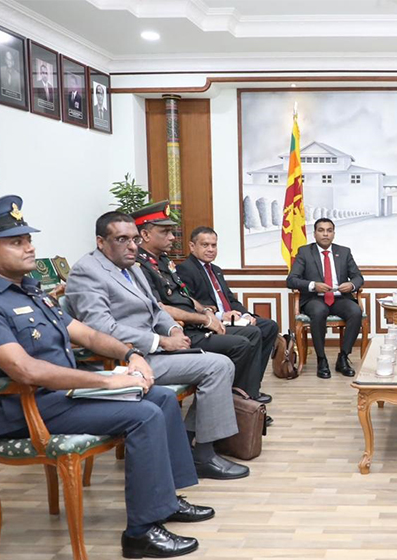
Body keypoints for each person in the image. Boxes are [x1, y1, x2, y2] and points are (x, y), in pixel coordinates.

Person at [0, 195, 213, 559]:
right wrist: (108, 382)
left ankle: (166, 499)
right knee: (143, 413)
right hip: (25, 410)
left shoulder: (33, 292)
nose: (30, 247)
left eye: (28, 239)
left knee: (159, 396)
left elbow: (86, 333)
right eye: (17, 242)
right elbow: (26, 370)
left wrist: (130, 355)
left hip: (59, 399)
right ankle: (141, 533)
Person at [66, 211, 250, 480]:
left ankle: (185, 441)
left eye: (134, 239)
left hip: (154, 351)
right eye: (121, 239)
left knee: (221, 360)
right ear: (100, 242)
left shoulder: (133, 268)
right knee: (218, 365)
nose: (132, 246)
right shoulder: (87, 272)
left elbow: (156, 309)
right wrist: (160, 340)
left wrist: (174, 328)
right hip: (125, 360)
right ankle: (203, 454)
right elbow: (100, 327)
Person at [132, 202, 272, 410]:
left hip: (194, 324)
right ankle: (239, 405)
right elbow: (158, 308)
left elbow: (186, 297)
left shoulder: (163, 262)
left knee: (257, 331)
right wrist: (206, 320)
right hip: (178, 332)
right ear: (145, 235)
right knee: (243, 341)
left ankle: (245, 400)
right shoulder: (139, 267)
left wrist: (206, 311)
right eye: (165, 232)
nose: (172, 237)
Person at [177, 225, 278, 396]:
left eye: (214, 245)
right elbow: (190, 304)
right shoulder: (185, 269)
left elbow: (230, 299)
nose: (210, 249)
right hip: (209, 324)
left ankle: (252, 384)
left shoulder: (215, 270)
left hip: (230, 318)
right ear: (192, 246)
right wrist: (219, 315)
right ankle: (244, 393)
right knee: (252, 332)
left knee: (269, 326)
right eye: (205, 245)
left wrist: (246, 315)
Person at [286, 218, 364, 379]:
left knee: (355, 311)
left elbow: (358, 277)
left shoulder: (344, 252)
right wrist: (313, 285)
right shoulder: (305, 252)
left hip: (339, 298)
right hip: (315, 299)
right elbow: (291, 280)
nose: (325, 234)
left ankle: (343, 357)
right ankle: (322, 359)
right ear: (314, 233)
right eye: (321, 230)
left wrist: (351, 286)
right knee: (319, 311)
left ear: (334, 234)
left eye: (329, 230)